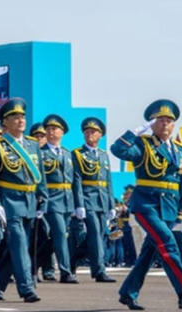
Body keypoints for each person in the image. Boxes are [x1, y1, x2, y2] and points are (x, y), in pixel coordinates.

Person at [111, 99, 182, 310]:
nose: (165, 124)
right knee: (168, 244)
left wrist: (180, 211)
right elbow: (118, 150)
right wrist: (135, 132)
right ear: (152, 123)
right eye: (160, 120)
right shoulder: (143, 145)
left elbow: (181, 182)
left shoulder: (178, 150)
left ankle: (128, 294)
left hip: (168, 209)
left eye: (169, 121)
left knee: (148, 254)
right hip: (146, 206)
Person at [0, 98, 48, 302]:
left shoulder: (32, 144)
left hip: (30, 200)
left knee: (16, 247)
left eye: (22, 116)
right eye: (15, 117)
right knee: (20, 245)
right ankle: (26, 288)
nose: (21, 120)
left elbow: (40, 176)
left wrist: (43, 199)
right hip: (10, 202)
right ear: (5, 122)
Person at [38, 114, 81, 284]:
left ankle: (33, 265)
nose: (50, 132)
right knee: (60, 235)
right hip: (51, 200)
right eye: (47, 129)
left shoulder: (67, 154)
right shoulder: (41, 154)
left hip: (67, 200)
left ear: (62, 132)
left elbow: (75, 180)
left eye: (54, 129)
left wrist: (79, 204)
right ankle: (65, 271)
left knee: (54, 238)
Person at [72, 117, 116, 282]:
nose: (90, 134)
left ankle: (74, 256)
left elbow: (108, 182)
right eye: (87, 131)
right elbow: (76, 181)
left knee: (99, 234)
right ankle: (99, 270)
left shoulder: (104, 156)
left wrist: (112, 205)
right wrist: (79, 204)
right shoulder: (77, 154)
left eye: (93, 132)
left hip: (102, 200)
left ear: (100, 135)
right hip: (87, 199)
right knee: (96, 235)